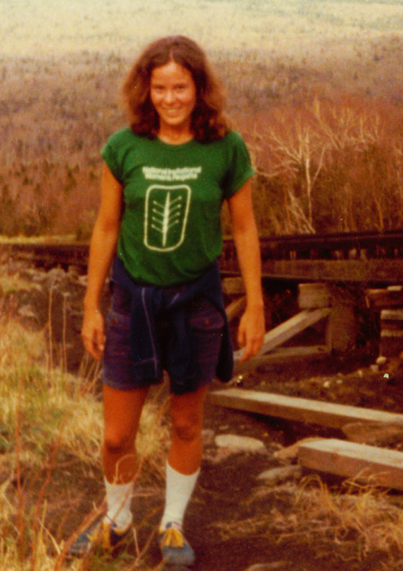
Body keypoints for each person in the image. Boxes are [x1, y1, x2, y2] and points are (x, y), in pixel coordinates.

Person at [73, 35, 265, 567]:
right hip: (133, 302)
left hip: (197, 303)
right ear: (146, 90)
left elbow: (245, 228)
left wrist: (255, 304)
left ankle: (173, 524)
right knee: (116, 435)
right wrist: (91, 304)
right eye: (160, 88)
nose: (170, 98)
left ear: (199, 89)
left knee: (185, 423)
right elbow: (106, 227)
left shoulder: (226, 148)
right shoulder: (123, 148)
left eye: (180, 87)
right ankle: (117, 520)